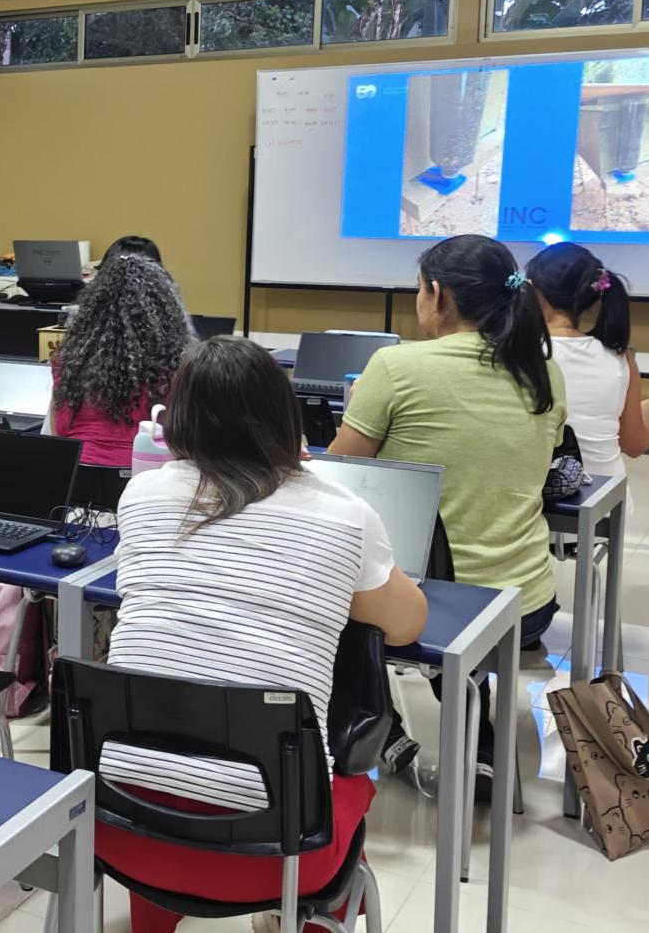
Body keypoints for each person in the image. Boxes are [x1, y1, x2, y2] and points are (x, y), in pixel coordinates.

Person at [103, 336, 426, 933]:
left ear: (178, 421)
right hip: (280, 858)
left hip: (123, 829)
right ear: (287, 416)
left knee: (168, 727)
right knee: (355, 774)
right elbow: (408, 624)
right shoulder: (345, 512)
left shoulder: (142, 493)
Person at [329, 234, 566, 792]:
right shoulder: (543, 373)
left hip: (436, 601)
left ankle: (379, 730)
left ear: (437, 295)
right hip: (527, 602)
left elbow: (337, 476)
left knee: (337, 596)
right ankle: (476, 741)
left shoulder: (394, 366)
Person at [526, 242, 649, 480]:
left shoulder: (520, 353)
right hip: (606, 501)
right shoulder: (619, 356)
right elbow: (634, 445)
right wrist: (646, 411)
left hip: (538, 497)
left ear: (532, 292)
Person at [50, 253, 193, 466]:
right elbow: (188, 441)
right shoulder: (178, 369)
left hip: (76, 480)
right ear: (166, 312)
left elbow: (57, 431)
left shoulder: (68, 362)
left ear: (93, 310)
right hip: (148, 481)